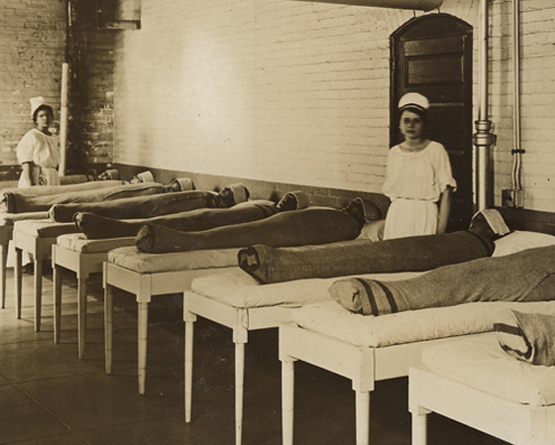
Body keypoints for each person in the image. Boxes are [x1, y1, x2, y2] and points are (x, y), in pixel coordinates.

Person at [133, 197, 380, 254]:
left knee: (238, 234)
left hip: (283, 230)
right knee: (235, 231)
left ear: (366, 218)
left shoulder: (347, 224)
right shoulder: (335, 215)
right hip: (281, 224)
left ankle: (173, 240)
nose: (350, 206)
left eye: (356, 207)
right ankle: (173, 237)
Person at [382, 92, 456, 240]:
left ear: (424, 124)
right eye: (406, 120)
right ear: (399, 124)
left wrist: (441, 231)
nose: (410, 125)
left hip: (425, 214)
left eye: (416, 121)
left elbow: (447, 193)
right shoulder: (394, 153)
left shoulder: (436, 150)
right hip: (398, 216)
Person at [16, 97, 61, 188]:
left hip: (52, 177)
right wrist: (30, 186)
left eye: (48, 115)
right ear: (36, 119)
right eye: (41, 116)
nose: (45, 118)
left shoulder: (54, 137)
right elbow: (26, 163)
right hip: (36, 176)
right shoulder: (32, 136)